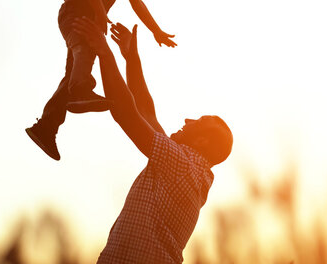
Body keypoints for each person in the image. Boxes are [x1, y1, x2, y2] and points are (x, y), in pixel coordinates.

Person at [72, 17, 233, 263]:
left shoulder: (182, 166)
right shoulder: (185, 169)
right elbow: (146, 112)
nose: (188, 120)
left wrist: (103, 52)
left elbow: (127, 114)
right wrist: (131, 58)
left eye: (197, 122)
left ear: (203, 143)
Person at [26, 0, 176, 160]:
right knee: (84, 50)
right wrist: (99, 13)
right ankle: (81, 91)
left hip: (91, 16)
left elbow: (136, 2)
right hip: (77, 10)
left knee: (74, 71)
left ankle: (46, 128)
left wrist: (156, 30)